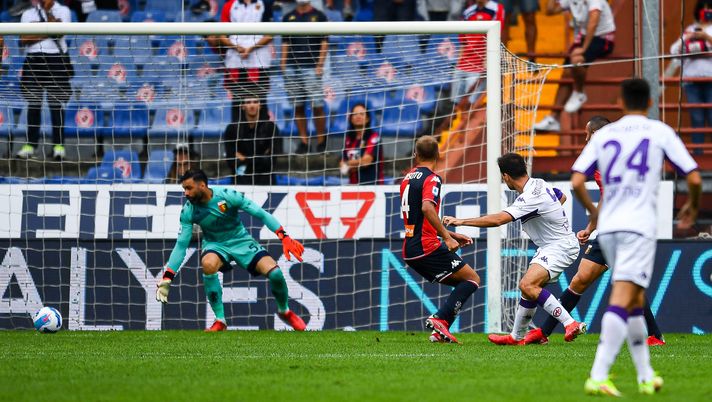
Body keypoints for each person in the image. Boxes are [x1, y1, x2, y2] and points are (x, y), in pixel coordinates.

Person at [571, 78, 701, 396]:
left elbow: (576, 180)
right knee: (624, 297)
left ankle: (645, 375)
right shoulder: (659, 131)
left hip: (609, 229)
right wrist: (692, 207)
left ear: (619, 102)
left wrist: (592, 211)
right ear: (651, 103)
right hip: (638, 227)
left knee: (632, 299)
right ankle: (599, 374)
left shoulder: (606, 134)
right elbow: (694, 176)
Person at [523, 116, 666, 347]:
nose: (587, 138)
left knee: (627, 283)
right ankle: (544, 333)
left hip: (624, 228)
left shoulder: (609, 160)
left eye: (589, 134)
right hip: (609, 228)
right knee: (580, 280)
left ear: (600, 133)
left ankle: (655, 335)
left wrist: (593, 216)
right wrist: (591, 227)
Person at [442, 152, 587, 346]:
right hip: (554, 244)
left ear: (506, 176)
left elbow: (498, 220)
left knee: (528, 285)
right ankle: (516, 337)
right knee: (529, 289)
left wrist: (461, 221)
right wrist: (549, 216)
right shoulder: (539, 183)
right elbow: (561, 197)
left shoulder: (528, 198)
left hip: (559, 246)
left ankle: (570, 323)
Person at [156, 169, 307, 332]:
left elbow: (261, 214)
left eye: (189, 188)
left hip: (240, 240)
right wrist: (167, 276)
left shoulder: (228, 195)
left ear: (202, 185)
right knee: (208, 263)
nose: (186, 193)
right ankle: (220, 320)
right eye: (184, 189)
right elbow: (181, 245)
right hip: (215, 244)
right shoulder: (188, 211)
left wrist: (283, 236)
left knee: (276, 273)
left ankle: (284, 311)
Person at [399, 136, 481, 344]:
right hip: (427, 247)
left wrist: (451, 234)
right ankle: (440, 320)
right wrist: (446, 237)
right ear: (438, 154)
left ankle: (439, 332)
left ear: (415, 154)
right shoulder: (432, 178)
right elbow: (427, 207)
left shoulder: (407, 178)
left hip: (411, 247)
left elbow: (417, 219)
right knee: (472, 279)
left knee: (463, 282)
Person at [533, 0, 616, 132]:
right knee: (566, 73)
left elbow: (594, 21)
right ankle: (553, 119)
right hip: (583, 36)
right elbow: (549, 11)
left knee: (577, 59)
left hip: (603, 37)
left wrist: (583, 48)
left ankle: (579, 92)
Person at [434, 0, 504, 138]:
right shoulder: (468, 11)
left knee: (470, 103)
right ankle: (447, 135)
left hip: (479, 66)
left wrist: (488, 61)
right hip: (463, 65)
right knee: (455, 104)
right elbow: (463, 41)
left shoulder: (497, 9)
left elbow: (498, 35)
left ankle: (462, 135)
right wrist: (459, 64)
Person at [17, 0, 73, 160]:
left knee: (56, 104)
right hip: (33, 59)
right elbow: (24, 38)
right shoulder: (27, 13)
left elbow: (59, 33)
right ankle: (30, 145)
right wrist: (49, 28)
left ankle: (58, 147)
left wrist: (42, 23)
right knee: (33, 103)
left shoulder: (63, 10)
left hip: (56, 60)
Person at [281, 0, 329, 154]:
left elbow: (324, 41)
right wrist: (283, 64)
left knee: (317, 106)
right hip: (291, 68)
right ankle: (304, 142)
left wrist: (320, 65)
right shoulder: (288, 17)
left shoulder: (319, 16)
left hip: (312, 67)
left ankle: (321, 142)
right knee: (298, 106)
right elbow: (285, 42)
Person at [219, 0, 274, 122]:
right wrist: (236, 47)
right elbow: (221, 35)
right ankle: (238, 139)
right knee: (237, 103)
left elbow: (270, 34)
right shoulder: (229, 5)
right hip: (235, 62)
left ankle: (262, 139)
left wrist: (252, 47)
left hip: (260, 62)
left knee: (261, 102)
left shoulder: (265, 4)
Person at [669, 0, 712, 146]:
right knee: (697, 118)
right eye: (704, 9)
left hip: (710, 80)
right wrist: (687, 38)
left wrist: (706, 38)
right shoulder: (689, 29)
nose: (707, 12)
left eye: (710, 9)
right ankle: (697, 153)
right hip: (691, 81)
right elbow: (673, 52)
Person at [224, 94, 276, 185]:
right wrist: (260, 157)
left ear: (260, 105)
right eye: (248, 102)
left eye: (255, 102)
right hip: (240, 180)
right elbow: (231, 161)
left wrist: (244, 158)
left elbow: (271, 161)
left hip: (265, 180)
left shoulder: (271, 128)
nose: (252, 105)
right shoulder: (232, 129)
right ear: (243, 106)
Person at [340, 103, 384, 185]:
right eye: (355, 114)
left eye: (362, 114)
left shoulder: (374, 137)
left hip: (373, 186)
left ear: (367, 118)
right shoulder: (348, 139)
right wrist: (354, 164)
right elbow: (342, 164)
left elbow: (366, 161)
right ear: (351, 119)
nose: (358, 116)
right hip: (353, 186)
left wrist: (348, 164)